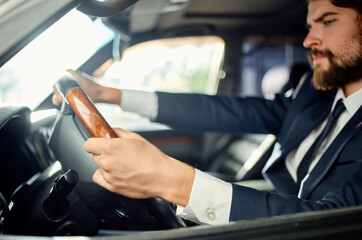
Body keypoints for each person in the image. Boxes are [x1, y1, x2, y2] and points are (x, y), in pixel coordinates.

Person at [53, 0, 362, 225]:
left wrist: (172, 181)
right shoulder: (317, 91)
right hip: (270, 207)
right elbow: (229, 111)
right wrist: (108, 94)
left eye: (329, 21)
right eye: (310, 26)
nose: (309, 40)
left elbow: (332, 220)